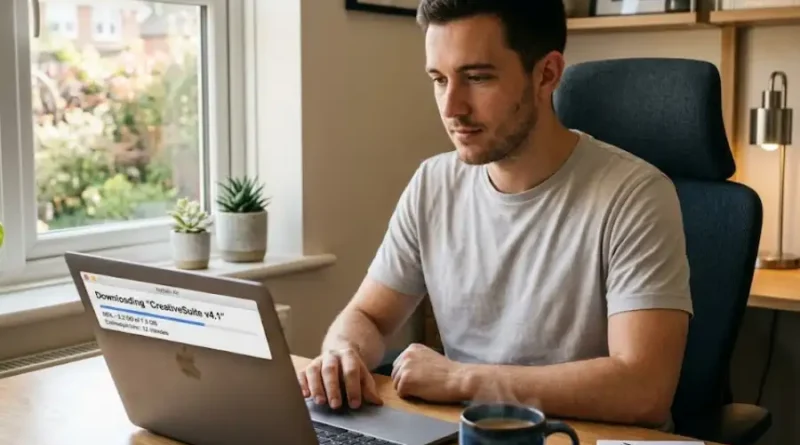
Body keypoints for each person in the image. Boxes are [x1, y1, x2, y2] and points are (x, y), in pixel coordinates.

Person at [297, 0, 693, 430]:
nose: (451, 108)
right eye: (439, 79)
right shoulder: (433, 184)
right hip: (470, 435)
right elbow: (369, 317)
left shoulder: (636, 196)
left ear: (547, 74)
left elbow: (644, 391)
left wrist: (462, 379)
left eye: (477, 78)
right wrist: (343, 351)